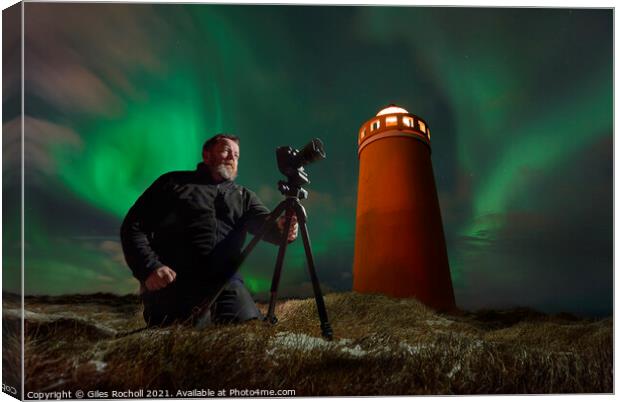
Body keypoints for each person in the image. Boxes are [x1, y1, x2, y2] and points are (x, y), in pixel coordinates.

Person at [120, 134, 298, 327]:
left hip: (227, 284)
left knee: (249, 332)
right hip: (175, 283)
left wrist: (282, 229)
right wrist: (149, 268)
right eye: (226, 151)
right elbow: (133, 226)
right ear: (207, 155)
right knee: (185, 338)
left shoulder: (244, 197)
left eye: (237, 155)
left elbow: (265, 225)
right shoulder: (173, 184)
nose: (232, 158)